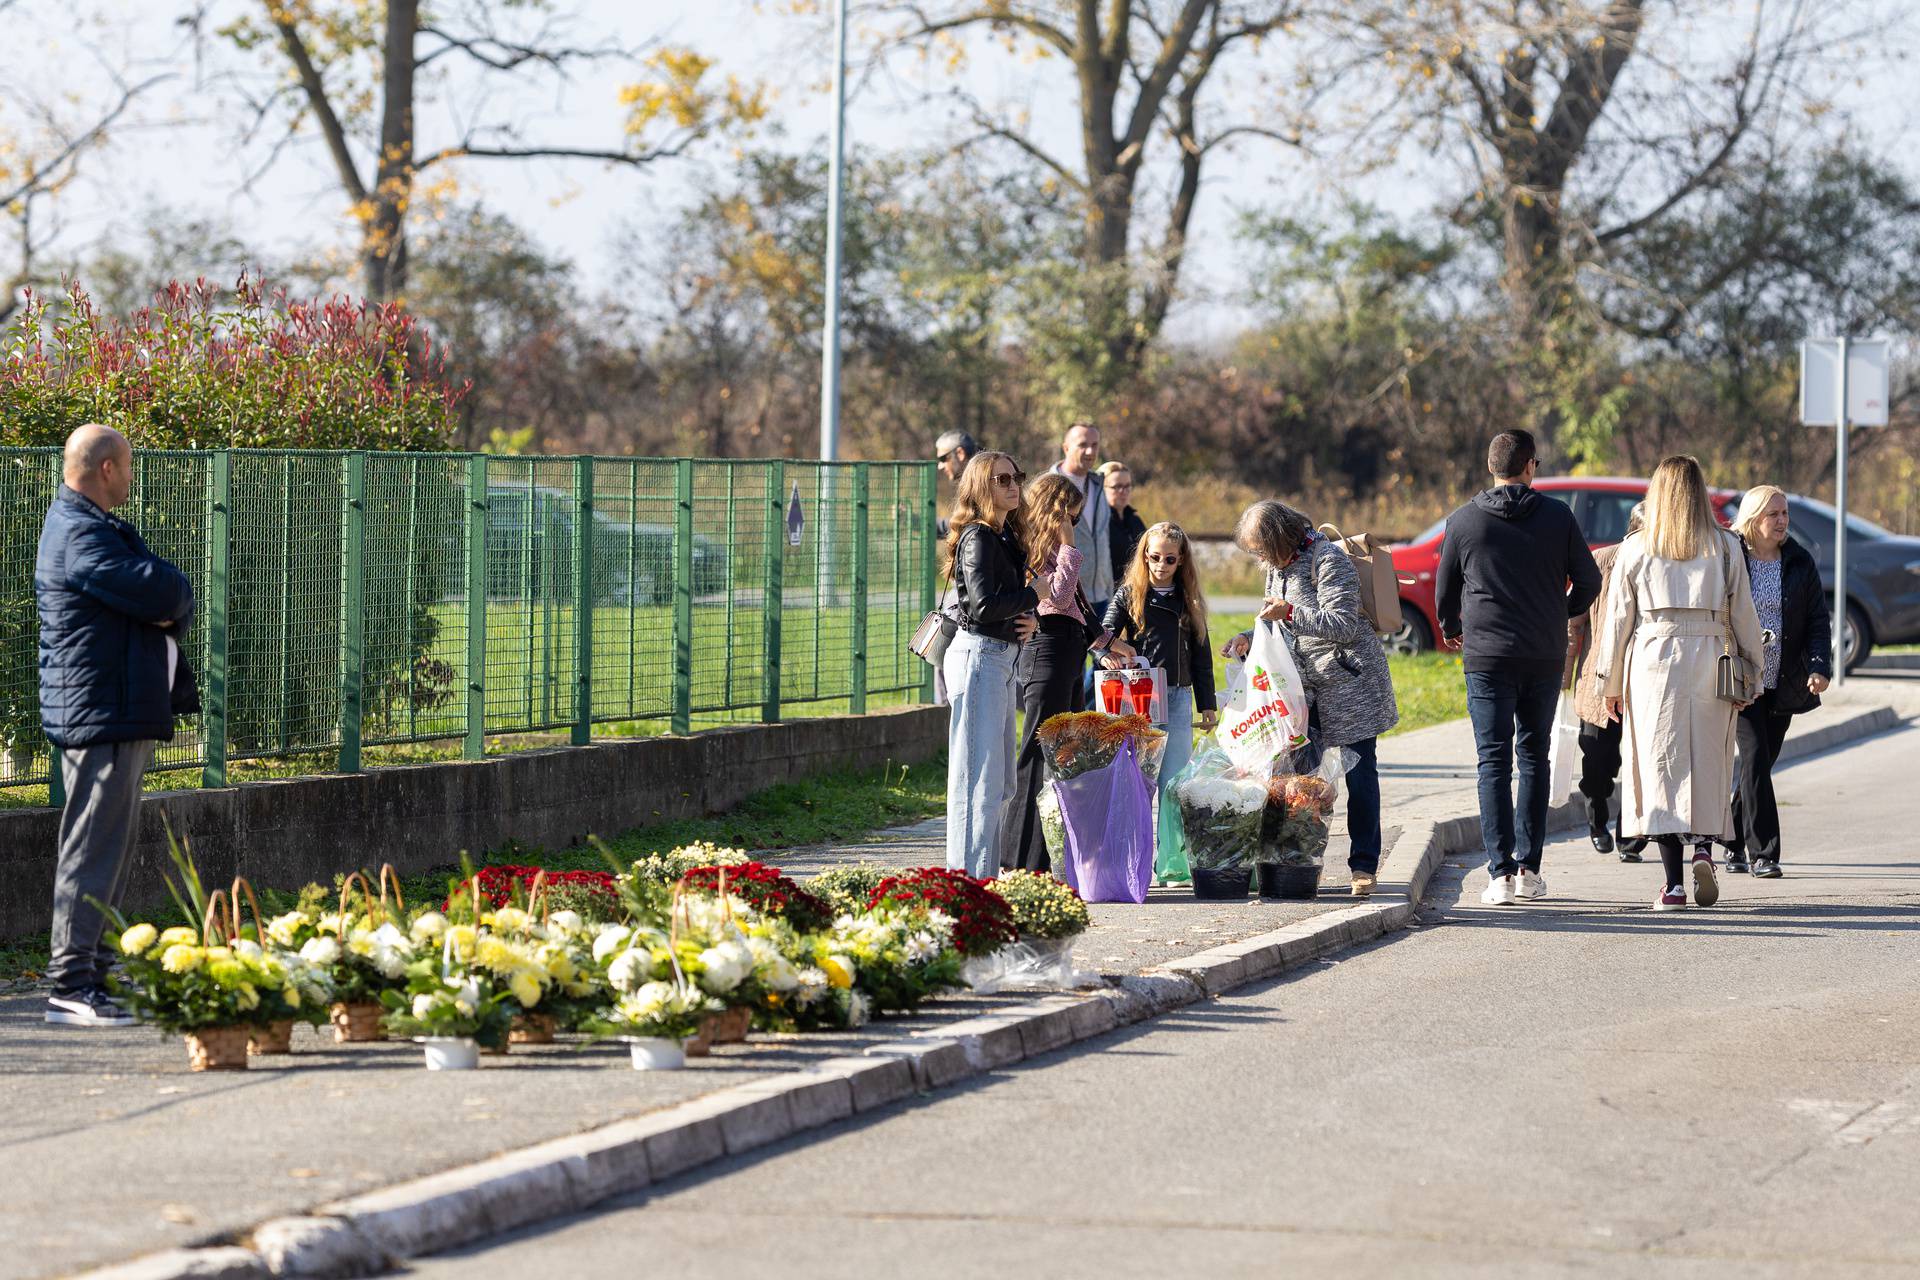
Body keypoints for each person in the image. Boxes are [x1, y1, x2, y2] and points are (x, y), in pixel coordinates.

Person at [37, 423, 195, 1027]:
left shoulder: (90, 529)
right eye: (127, 466)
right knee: (91, 850)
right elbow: (168, 592)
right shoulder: (82, 534)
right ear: (107, 469)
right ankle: (71, 985)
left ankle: (94, 974)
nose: (131, 476)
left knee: (110, 849)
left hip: (111, 708)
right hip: (99, 713)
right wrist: (165, 603)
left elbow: (161, 597)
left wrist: (163, 605)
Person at [1436, 429, 1601, 906]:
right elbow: (1589, 579)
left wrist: (1452, 628)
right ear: (1531, 466)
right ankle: (1530, 869)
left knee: (1493, 760)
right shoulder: (1558, 517)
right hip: (1544, 654)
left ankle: (1499, 875)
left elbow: (1445, 591)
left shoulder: (1464, 522)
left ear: (1491, 467)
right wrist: (1562, 611)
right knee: (1533, 758)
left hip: (1487, 655)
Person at [1593, 456, 1764, 912]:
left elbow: (1616, 622)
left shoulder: (1634, 548)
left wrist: (1608, 681)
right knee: (1709, 759)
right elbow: (1745, 614)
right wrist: (1754, 669)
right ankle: (1705, 847)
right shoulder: (1725, 546)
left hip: (1652, 657)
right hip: (1710, 653)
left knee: (1660, 766)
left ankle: (1671, 886)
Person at [1224, 501, 1399, 898]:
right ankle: (1299, 861)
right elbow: (1274, 621)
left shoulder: (1328, 560)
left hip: (1350, 685)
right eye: (1256, 553)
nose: (1261, 559)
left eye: (1262, 550)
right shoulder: (1278, 566)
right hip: (1303, 689)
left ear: (1281, 537)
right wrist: (1248, 638)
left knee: (1359, 774)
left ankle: (1364, 866)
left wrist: (1290, 613)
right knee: (1298, 782)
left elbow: (1343, 624)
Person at [1000, 473, 1134, 873]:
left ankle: (1050, 856)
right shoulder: (1035, 552)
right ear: (1054, 514)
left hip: (1069, 652)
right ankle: (1018, 857)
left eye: (1076, 521)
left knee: (1065, 756)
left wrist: (1108, 642)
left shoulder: (1055, 551)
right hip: (1047, 655)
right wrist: (1070, 547)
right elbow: (1057, 598)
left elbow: (1078, 609)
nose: (1073, 527)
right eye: (1070, 518)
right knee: (1039, 755)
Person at [1721, 485, 1832, 878]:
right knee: (1753, 758)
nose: (1783, 521)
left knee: (1761, 765)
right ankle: (1763, 852)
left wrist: (1819, 666)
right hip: (1742, 677)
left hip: (1783, 679)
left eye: (1785, 514)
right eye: (1774, 514)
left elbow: (1818, 620)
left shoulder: (1799, 561)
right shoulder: (1730, 555)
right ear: (1753, 517)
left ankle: (1730, 840)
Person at [941, 452, 1039, 879]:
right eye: (1002, 479)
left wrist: (1029, 618)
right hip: (978, 658)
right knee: (977, 781)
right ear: (982, 486)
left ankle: (981, 877)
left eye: (1017, 476)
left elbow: (1000, 603)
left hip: (998, 661)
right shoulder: (977, 537)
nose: (1013, 485)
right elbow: (981, 607)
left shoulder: (1001, 536)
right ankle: (969, 880)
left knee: (1001, 783)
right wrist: (1034, 596)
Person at [1101, 521, 1217, 882]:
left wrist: (1207, 704)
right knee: (1136, 782)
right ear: (1144, 556)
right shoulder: (1129, 594)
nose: (1161, 565)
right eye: (1154, 557)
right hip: (1139, 697)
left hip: (1179, 697)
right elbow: (1102, 635)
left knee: (1174, 782)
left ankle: (1171, 861)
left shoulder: (1189, 600)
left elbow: (1201, 655)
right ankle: (1130, 859)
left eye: (1169, 559)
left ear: (1181, 560)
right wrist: (1106, 653)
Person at [1566, 503, 1650, 862]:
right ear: (1632, 533)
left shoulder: (1664, 567)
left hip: (1645, 684)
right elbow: (1574, 624)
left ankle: (1630, 838)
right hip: (1600, 681)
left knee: (1639, 764)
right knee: (1598, 762)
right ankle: (1597, 816)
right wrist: (1562, 677)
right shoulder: (1601, 562)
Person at [1048, 422, 1115, 707]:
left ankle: (1092, 723)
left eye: (1095, 445)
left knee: (1104, 664)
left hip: (1101, 590)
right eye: (1082, 445)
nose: (1090, 451)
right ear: (1066, 448)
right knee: (1074, 669)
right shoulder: (1048, 486)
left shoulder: (1100, 483)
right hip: (1068, 593)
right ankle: (1076, 723)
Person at [931, 430, 981, 704]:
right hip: (972, 590)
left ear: (959, 454)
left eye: (943, 457)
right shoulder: (977, 483)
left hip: (975, 592)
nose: (940, 465)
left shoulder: (979, 485)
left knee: (939, 647)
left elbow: (962, 527)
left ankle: (948, 716)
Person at [1099, 462, 1148, 583]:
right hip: (1108, 593)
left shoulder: (1134, 519)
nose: (1123, 491)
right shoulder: (1099, 523)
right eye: (1117, 486)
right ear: (1101, 489)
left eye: (1127, 486)